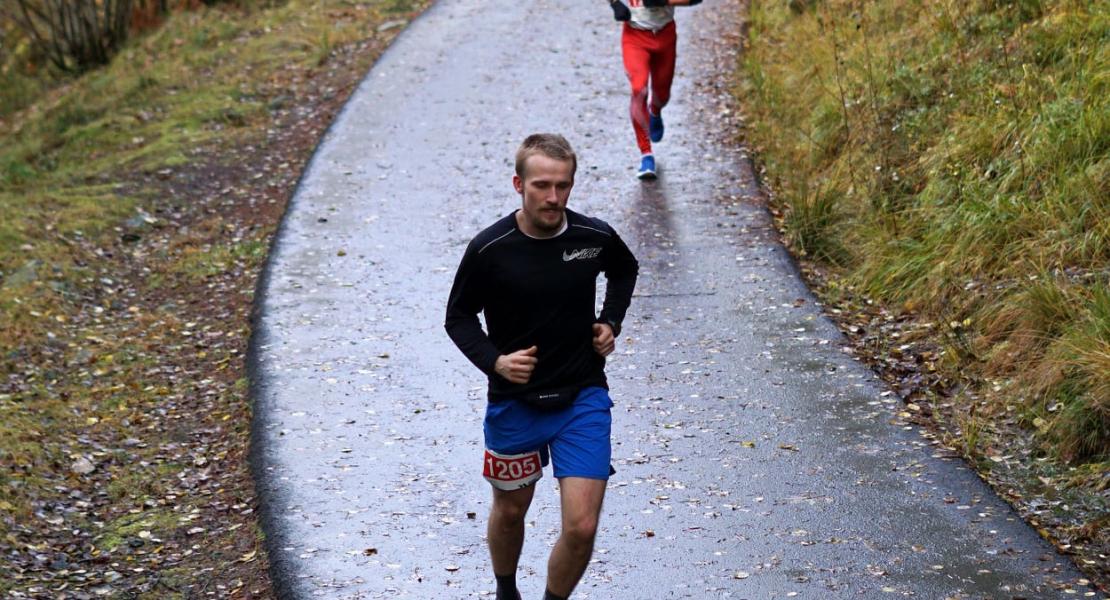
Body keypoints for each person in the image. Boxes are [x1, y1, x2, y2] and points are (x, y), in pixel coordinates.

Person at [445, 133, 639, 600]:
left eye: (563, 185)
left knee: (583, 525)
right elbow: (457, 317)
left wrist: (609, 321)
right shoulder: (490, 249)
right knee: (511, 511)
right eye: (542, 185)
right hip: (516, 403)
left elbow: (625, 269)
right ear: (519, 184)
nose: (553, 197)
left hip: (582, 396)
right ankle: (506, 590)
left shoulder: (592, 237)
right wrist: (496, 361)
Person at [607, 0, 702, 179]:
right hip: (635, 36)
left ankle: (655, 111)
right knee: (639, 89)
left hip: (665, 35)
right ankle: (646, 155)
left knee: (662, 94)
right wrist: (614, 3)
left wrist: (664, 1)